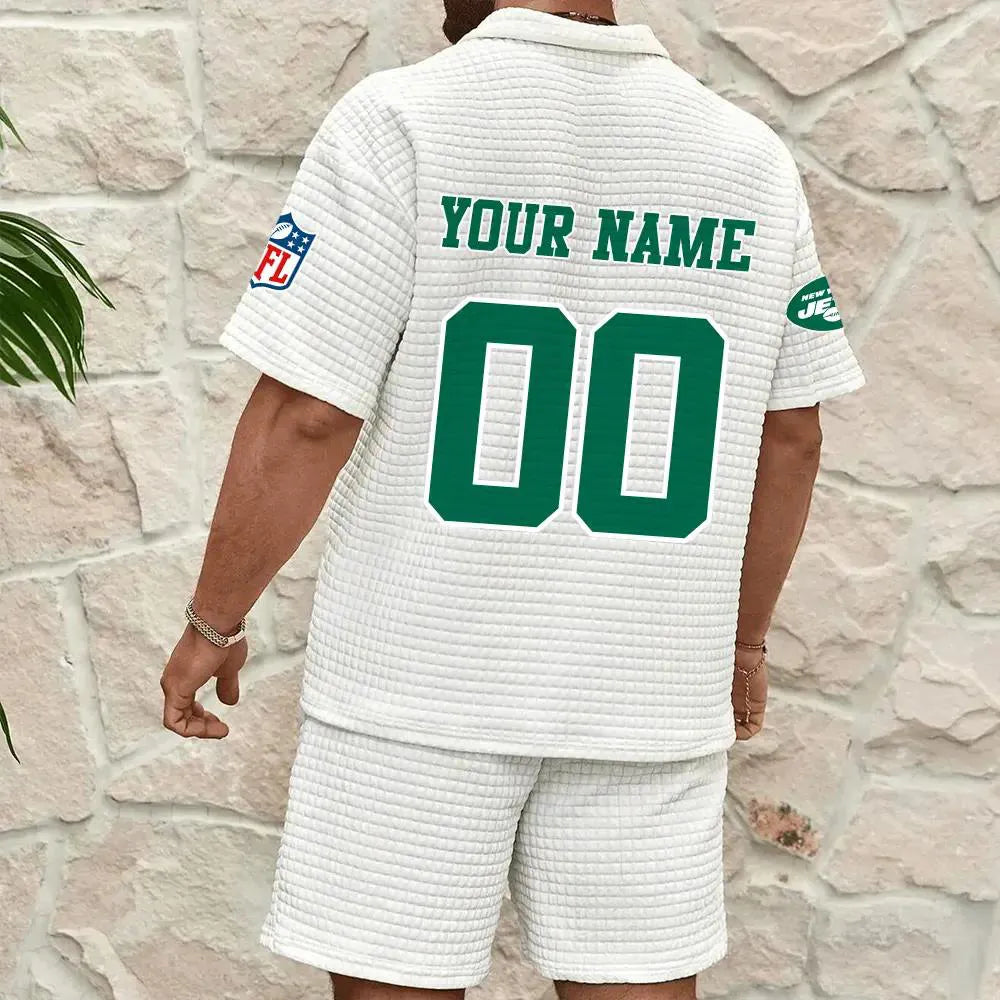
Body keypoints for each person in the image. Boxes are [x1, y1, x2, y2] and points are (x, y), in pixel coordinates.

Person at [159, 2, 866, 998]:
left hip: (417, 687)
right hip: (647, 688)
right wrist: (740, 646)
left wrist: (213, 618)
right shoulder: (746, 157)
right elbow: (792, 437)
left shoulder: (400, 121)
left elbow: (309, 413)